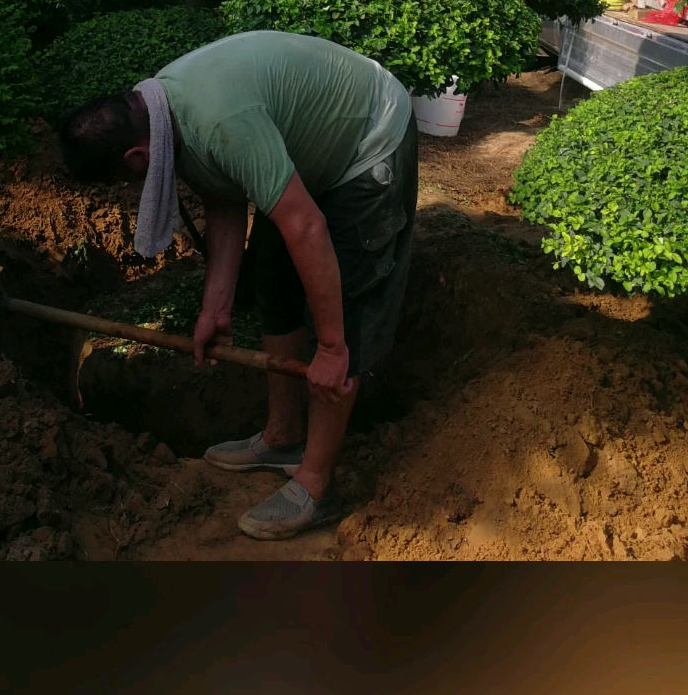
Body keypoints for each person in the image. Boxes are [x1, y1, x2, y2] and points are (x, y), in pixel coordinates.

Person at [58, 29, 418, 541]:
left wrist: (331, 347)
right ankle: (283, 435)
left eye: (124, 181)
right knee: (271, 275)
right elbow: (223, 197)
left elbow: (307, 227)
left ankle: (316, 485)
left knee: (347, 304)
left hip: (368, 138)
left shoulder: (219, 121)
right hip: (311, 150)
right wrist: (215, 308)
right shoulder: (162, 112)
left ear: (136, 158)